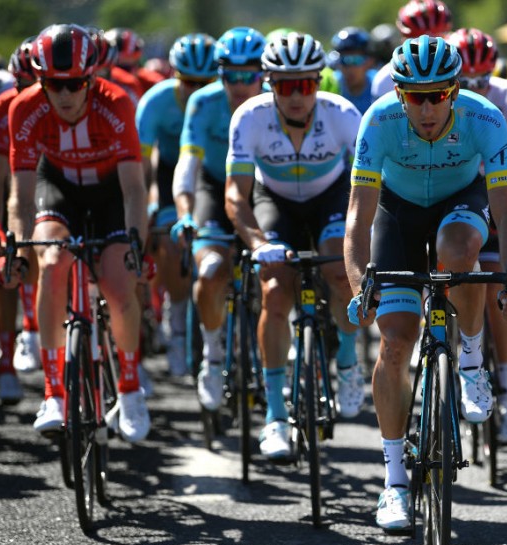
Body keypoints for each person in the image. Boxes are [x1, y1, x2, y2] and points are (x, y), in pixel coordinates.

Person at [344, 35, 507, 530]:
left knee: (460, 249)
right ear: (399, 93)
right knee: (395, 342)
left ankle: (470, 360)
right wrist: (361, 284)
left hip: (460, 203)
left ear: (456, 90)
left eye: (438, 95)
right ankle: (394, 483)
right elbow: (358, 217)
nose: (427, 108)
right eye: (416, 96)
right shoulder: (379, 119)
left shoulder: (485, 117)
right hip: (397, 215)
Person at [7, 24, 150, 441]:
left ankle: (130, 388)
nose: (65, 94)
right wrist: (18, 249)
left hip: (110, 194)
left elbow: (134, 189)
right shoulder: (24, 108)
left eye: (76, 84)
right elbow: (20, 196)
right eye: (54, 84)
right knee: (52, 261)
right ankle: (54, 393)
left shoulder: (116, 103)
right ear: (40, 80)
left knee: (119, 286)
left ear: (91, 77)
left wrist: (136, 247)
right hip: (59, 187)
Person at [225, 31, 365, 459]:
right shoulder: (249, 117)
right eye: (285, 86)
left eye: (305, 84)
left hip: (330, 198)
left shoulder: (343, 114)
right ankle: (274, 416)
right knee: (273, 289)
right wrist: (256, 243)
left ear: (318, 81)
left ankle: (347, 358)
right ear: (269, 83)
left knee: (340, 271)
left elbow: (371, 183)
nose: (296, 95)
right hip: (275, 201)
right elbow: (235, 195)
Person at [447, 27, 507, 443]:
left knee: (502, 282)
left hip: (498, 191)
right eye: (466, 82)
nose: (476, 89)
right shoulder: (440, 100)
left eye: (483, 80)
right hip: (455, 195)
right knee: (446, 274)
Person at [170, 26, 266, 411]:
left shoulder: (272, 103)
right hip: (213, 185)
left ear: (262, 75)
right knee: (211, 270)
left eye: (248, 75)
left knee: (276, 273)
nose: (240, 84)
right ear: (220, 74)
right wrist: (184, 214)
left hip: (260, 189)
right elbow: (187, 164)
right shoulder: (203, 102)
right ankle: (211, 356)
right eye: (231, 76)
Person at [136, 33, 218, 377]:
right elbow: (141, 167)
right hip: (169, 175)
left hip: (214, 175)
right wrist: (144, 208)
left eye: (205, 83)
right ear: (174, 76)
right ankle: (178, 321)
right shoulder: (155, 102)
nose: (196, 90)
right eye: (189, 82)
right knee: (170, 241)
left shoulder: (224, 99)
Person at [0, 39, 38, 403]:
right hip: (16, 189)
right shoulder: (4, 108)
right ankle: (6, 360)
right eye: (21, 85)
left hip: (59, 186)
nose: (29, 95)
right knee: (2, 261)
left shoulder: (65, 104)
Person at [371, 0, 453, 99]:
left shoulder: (384, 80)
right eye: (417, 43)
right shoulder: (384, 81)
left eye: (435, 42)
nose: (427, 50)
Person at [330, 27, 377, 114]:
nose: (349, 68)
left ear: (369, 61)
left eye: (355, 60)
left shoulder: (378, 84)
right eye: (343, 60)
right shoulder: (331, 85)